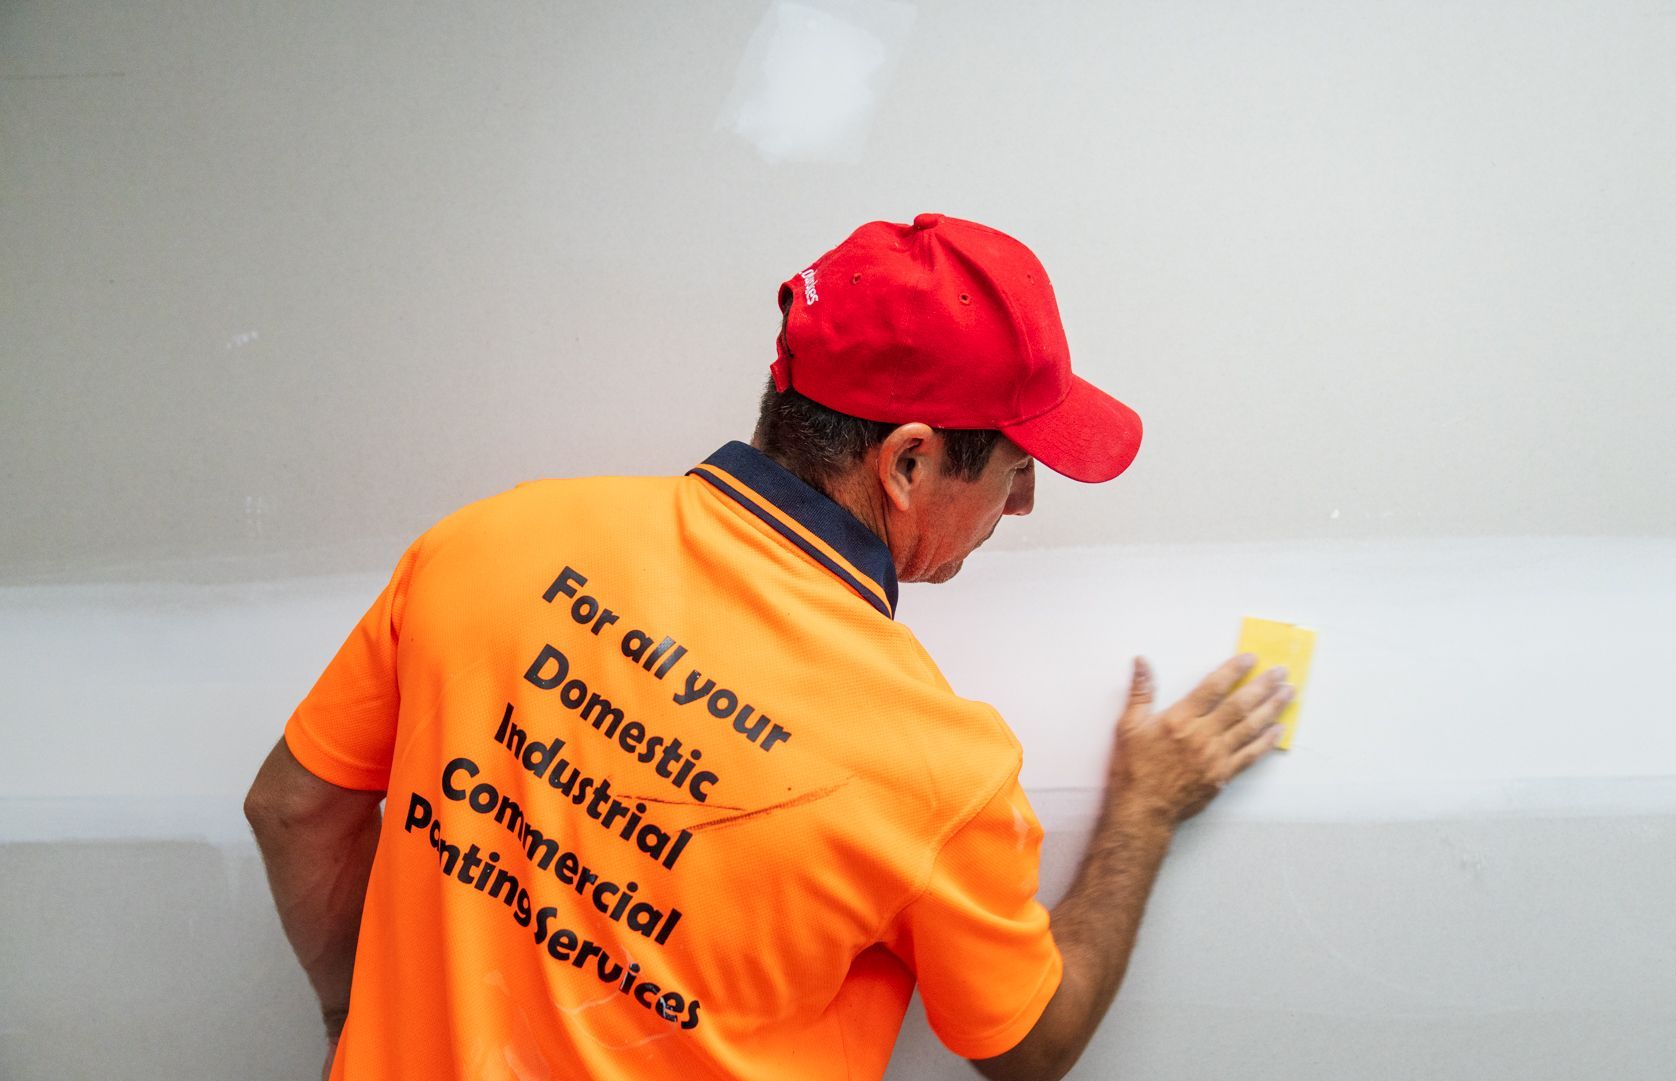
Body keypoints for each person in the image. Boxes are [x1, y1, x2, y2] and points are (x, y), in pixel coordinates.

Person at [245, 213, 1294, 1081]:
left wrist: (351, 1016)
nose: (1020, 505)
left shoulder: (487, 542)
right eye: (1015, 467)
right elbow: (1033, 1044)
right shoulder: (935, 768)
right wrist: (1145, 811)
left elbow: (291, 808)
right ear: (909, 464)